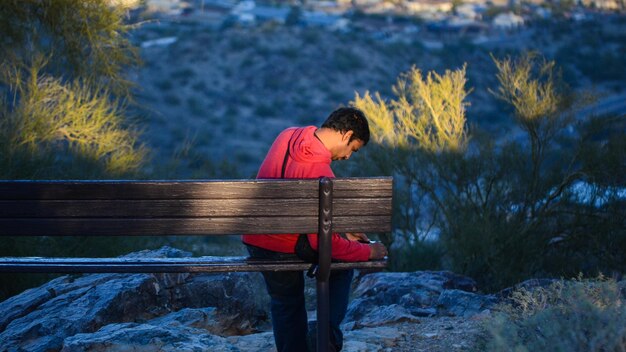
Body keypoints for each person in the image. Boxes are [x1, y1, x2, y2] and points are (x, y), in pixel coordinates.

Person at [242, 107, 388, 352]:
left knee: (285, 301)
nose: (348, 157)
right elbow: (322, 245)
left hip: (256, 241)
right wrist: (368, 252)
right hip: (284, 247)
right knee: (343, 263)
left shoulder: (287, 135)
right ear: (346, 135)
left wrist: (342, 230)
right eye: (353, 149)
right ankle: (326, 337)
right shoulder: (321, 174)